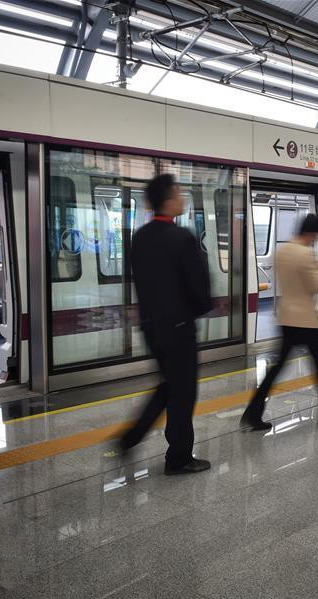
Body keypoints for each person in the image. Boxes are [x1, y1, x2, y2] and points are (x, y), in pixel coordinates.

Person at [119, 173, 212, 475]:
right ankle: (179, 458)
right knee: (183, 393)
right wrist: (202, 307)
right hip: (179, 328)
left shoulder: (140, 238)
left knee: (170, 385)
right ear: (169, 200)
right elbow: (198, 287)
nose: (182, 198)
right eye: (179, 193)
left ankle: (132, 437)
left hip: (151, 327)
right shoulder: (182, 237)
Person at [241, 214, 318, 431]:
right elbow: (315, 286)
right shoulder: (305, 254)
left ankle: (253, 412)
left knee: (278, 368)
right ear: (311, 233)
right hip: (305, 320)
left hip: (286, 317)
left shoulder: (282, 251)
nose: (315, 240)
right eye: (316, 235)